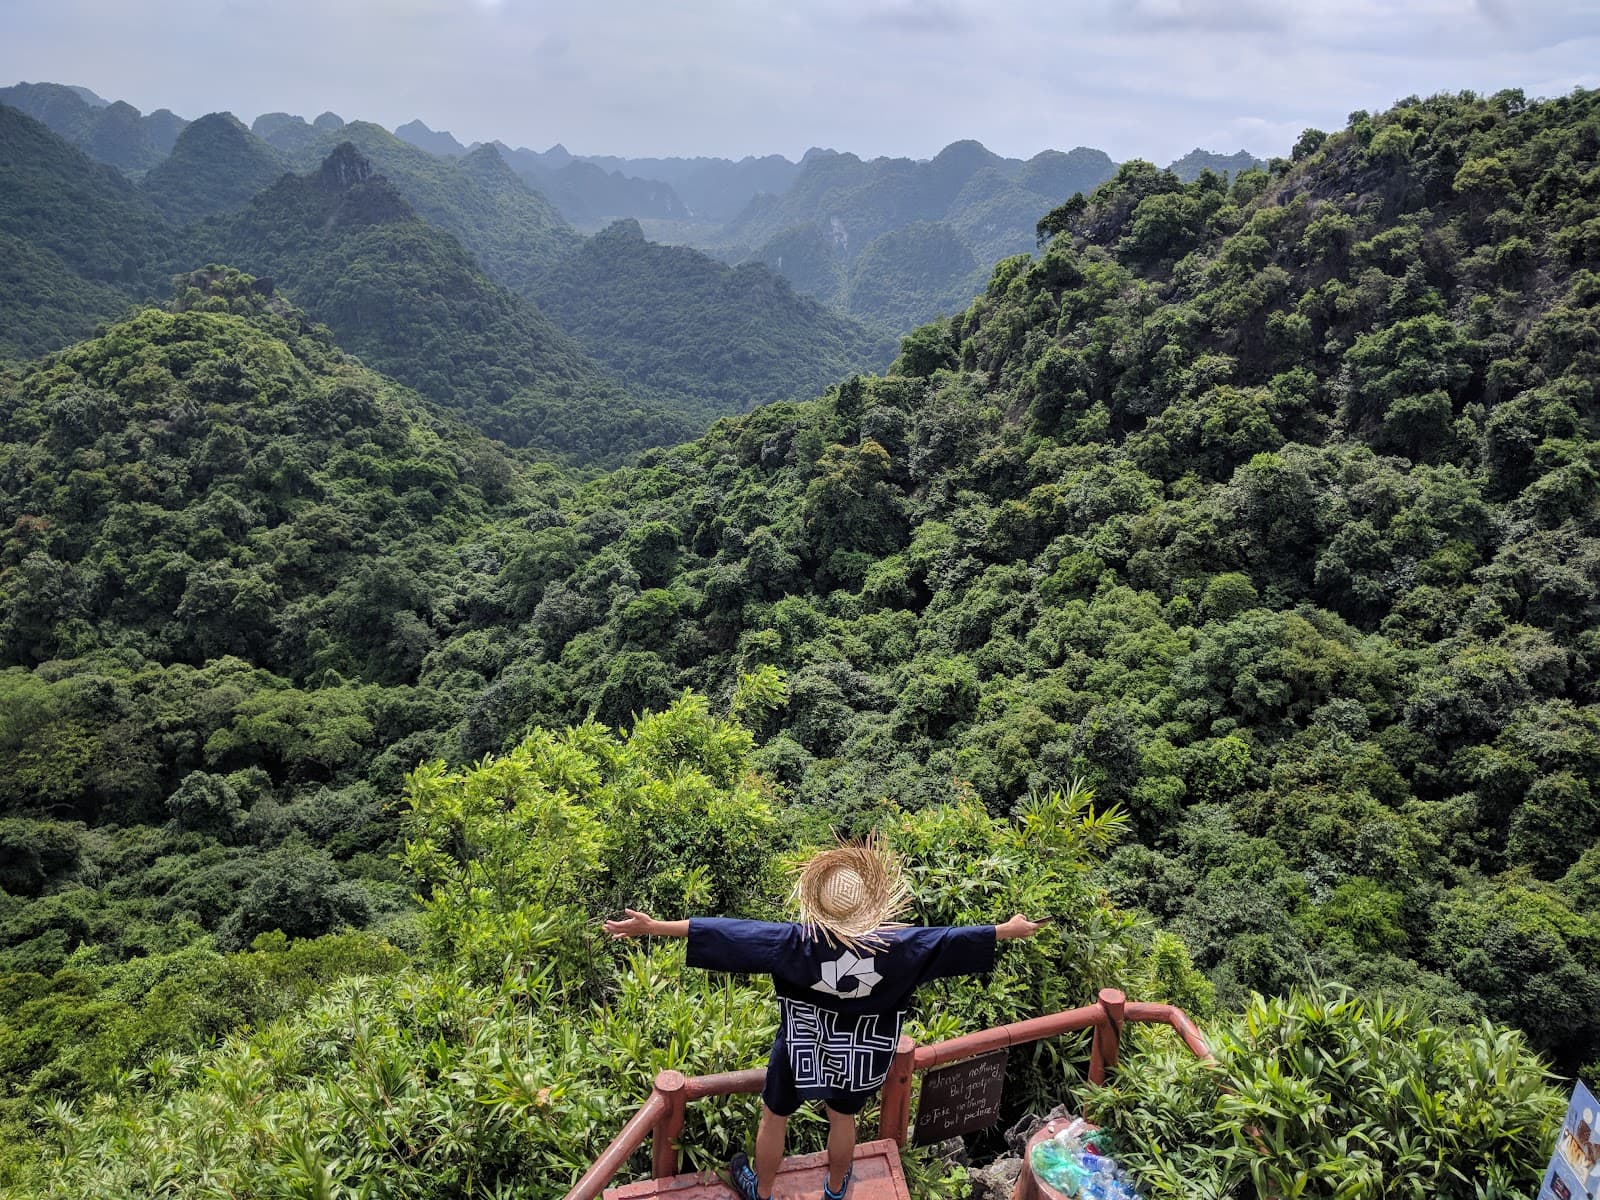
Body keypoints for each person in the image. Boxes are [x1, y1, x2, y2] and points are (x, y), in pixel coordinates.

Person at [604, 838, 1047, 1200]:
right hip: (862, 1054)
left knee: (774, 1117)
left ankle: (764, 1190)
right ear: (873, 904)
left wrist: (655, 926)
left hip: (803, 1047)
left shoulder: (795, 942)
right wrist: (1007, 929)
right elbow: (951, 942)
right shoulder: (902, 946)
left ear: (818, 904)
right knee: (843, 1119)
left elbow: (729, 932)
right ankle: (836, 1190)